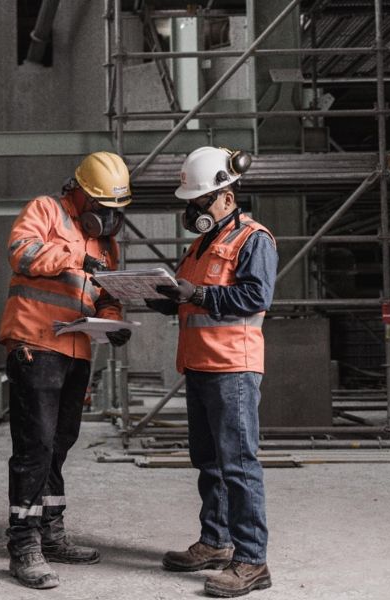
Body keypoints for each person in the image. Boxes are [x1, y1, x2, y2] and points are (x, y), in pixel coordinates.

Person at [145, 146, 277, 598]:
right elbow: (191, 297)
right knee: (209, 463)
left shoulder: (253, 239)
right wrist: (163, 296)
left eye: (198, 200)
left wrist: (197, 295)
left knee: (239, 466)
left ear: (224, 194)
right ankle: (216, 542)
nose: (192, 209)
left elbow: (254, 298)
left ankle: (252, 560)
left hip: (232, 368)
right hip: (200, 366)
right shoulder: (200, 246)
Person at [0, 151, 134, 589]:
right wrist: (76, 255)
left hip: (76, 351)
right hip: (36, 343)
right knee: (34, 445)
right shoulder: (45, 210)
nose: (109, 220)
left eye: (116, 212)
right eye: (104, 210)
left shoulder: (105, 242)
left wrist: (113, 318)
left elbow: (105, 291)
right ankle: (24, 544)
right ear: (80, 194)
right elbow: (23, 255)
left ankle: (50, 530)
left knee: (59, 443)